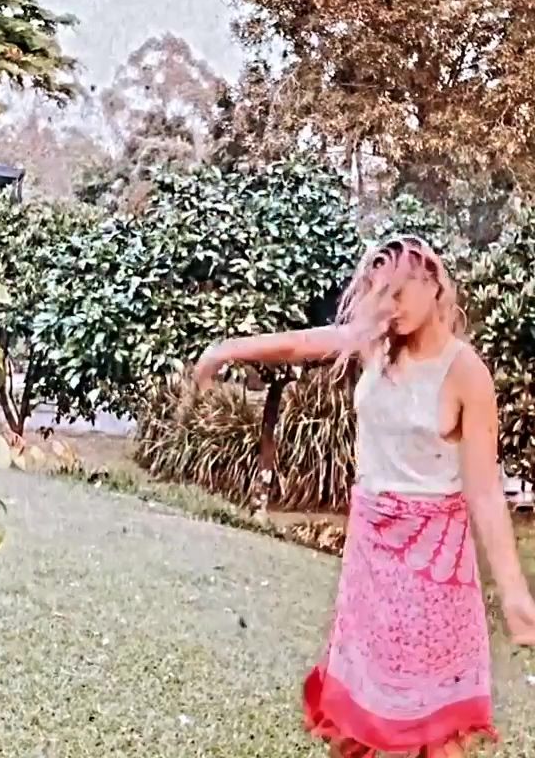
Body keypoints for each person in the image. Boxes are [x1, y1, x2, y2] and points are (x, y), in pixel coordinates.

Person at [193, 235, 535, 758]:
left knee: (431, 725)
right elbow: (303, 344)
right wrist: (225, 351)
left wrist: (513, 591)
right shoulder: (377, 343)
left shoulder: (465, 372)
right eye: (379, 295)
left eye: (399, 293)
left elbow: (485, 490)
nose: (389, 308)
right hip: (371, 552)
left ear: (434, 283)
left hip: (432, 562)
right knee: (356, 712)